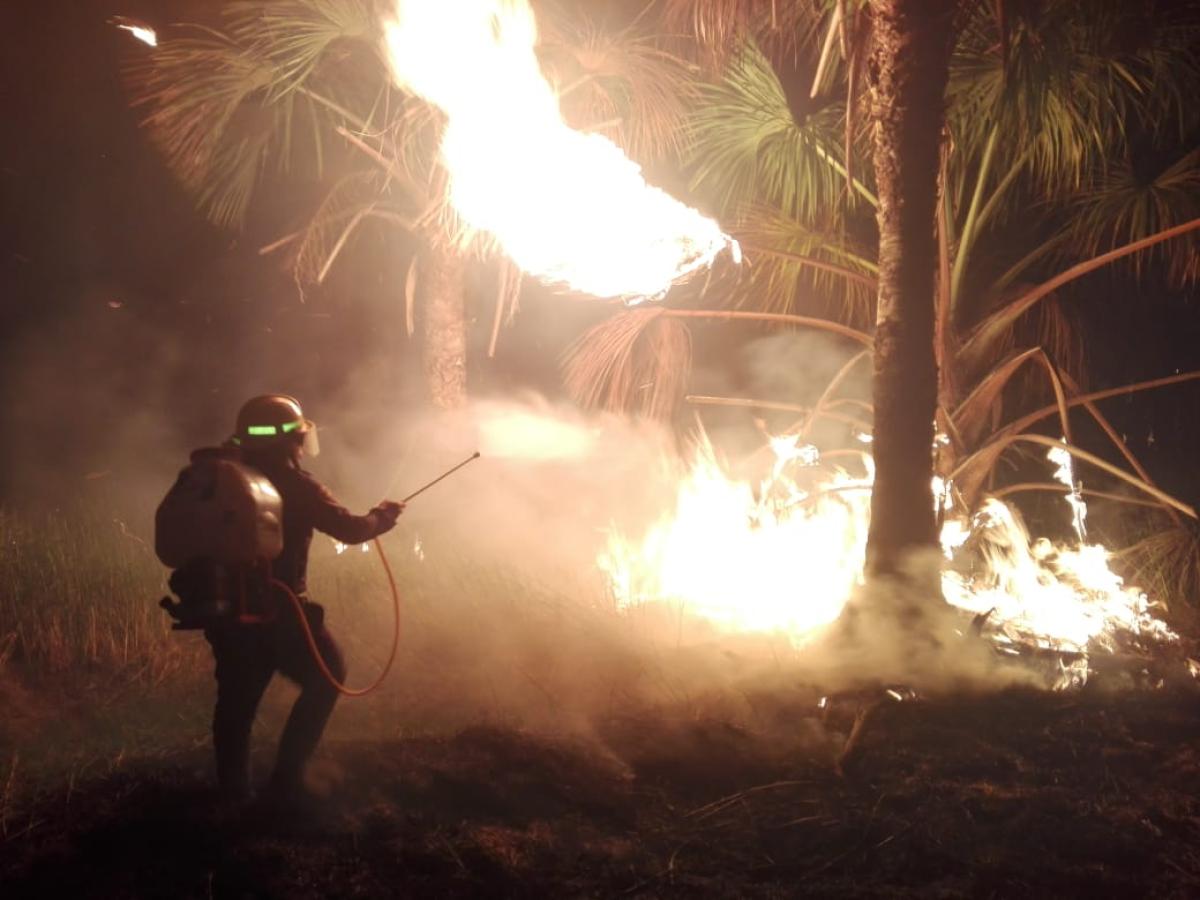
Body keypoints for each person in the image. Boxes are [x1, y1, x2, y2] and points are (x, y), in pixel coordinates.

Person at [199, 394, 402, 805]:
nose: (301, 446)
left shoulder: (219, 480)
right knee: (328, 674)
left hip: (228, 609)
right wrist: (382, 517)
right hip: (283, 610)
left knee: (236, 702)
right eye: (299, 438)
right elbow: (350, 530)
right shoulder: (297, 485)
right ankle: (287, 780)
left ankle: (232, 793)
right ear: (291, 440)